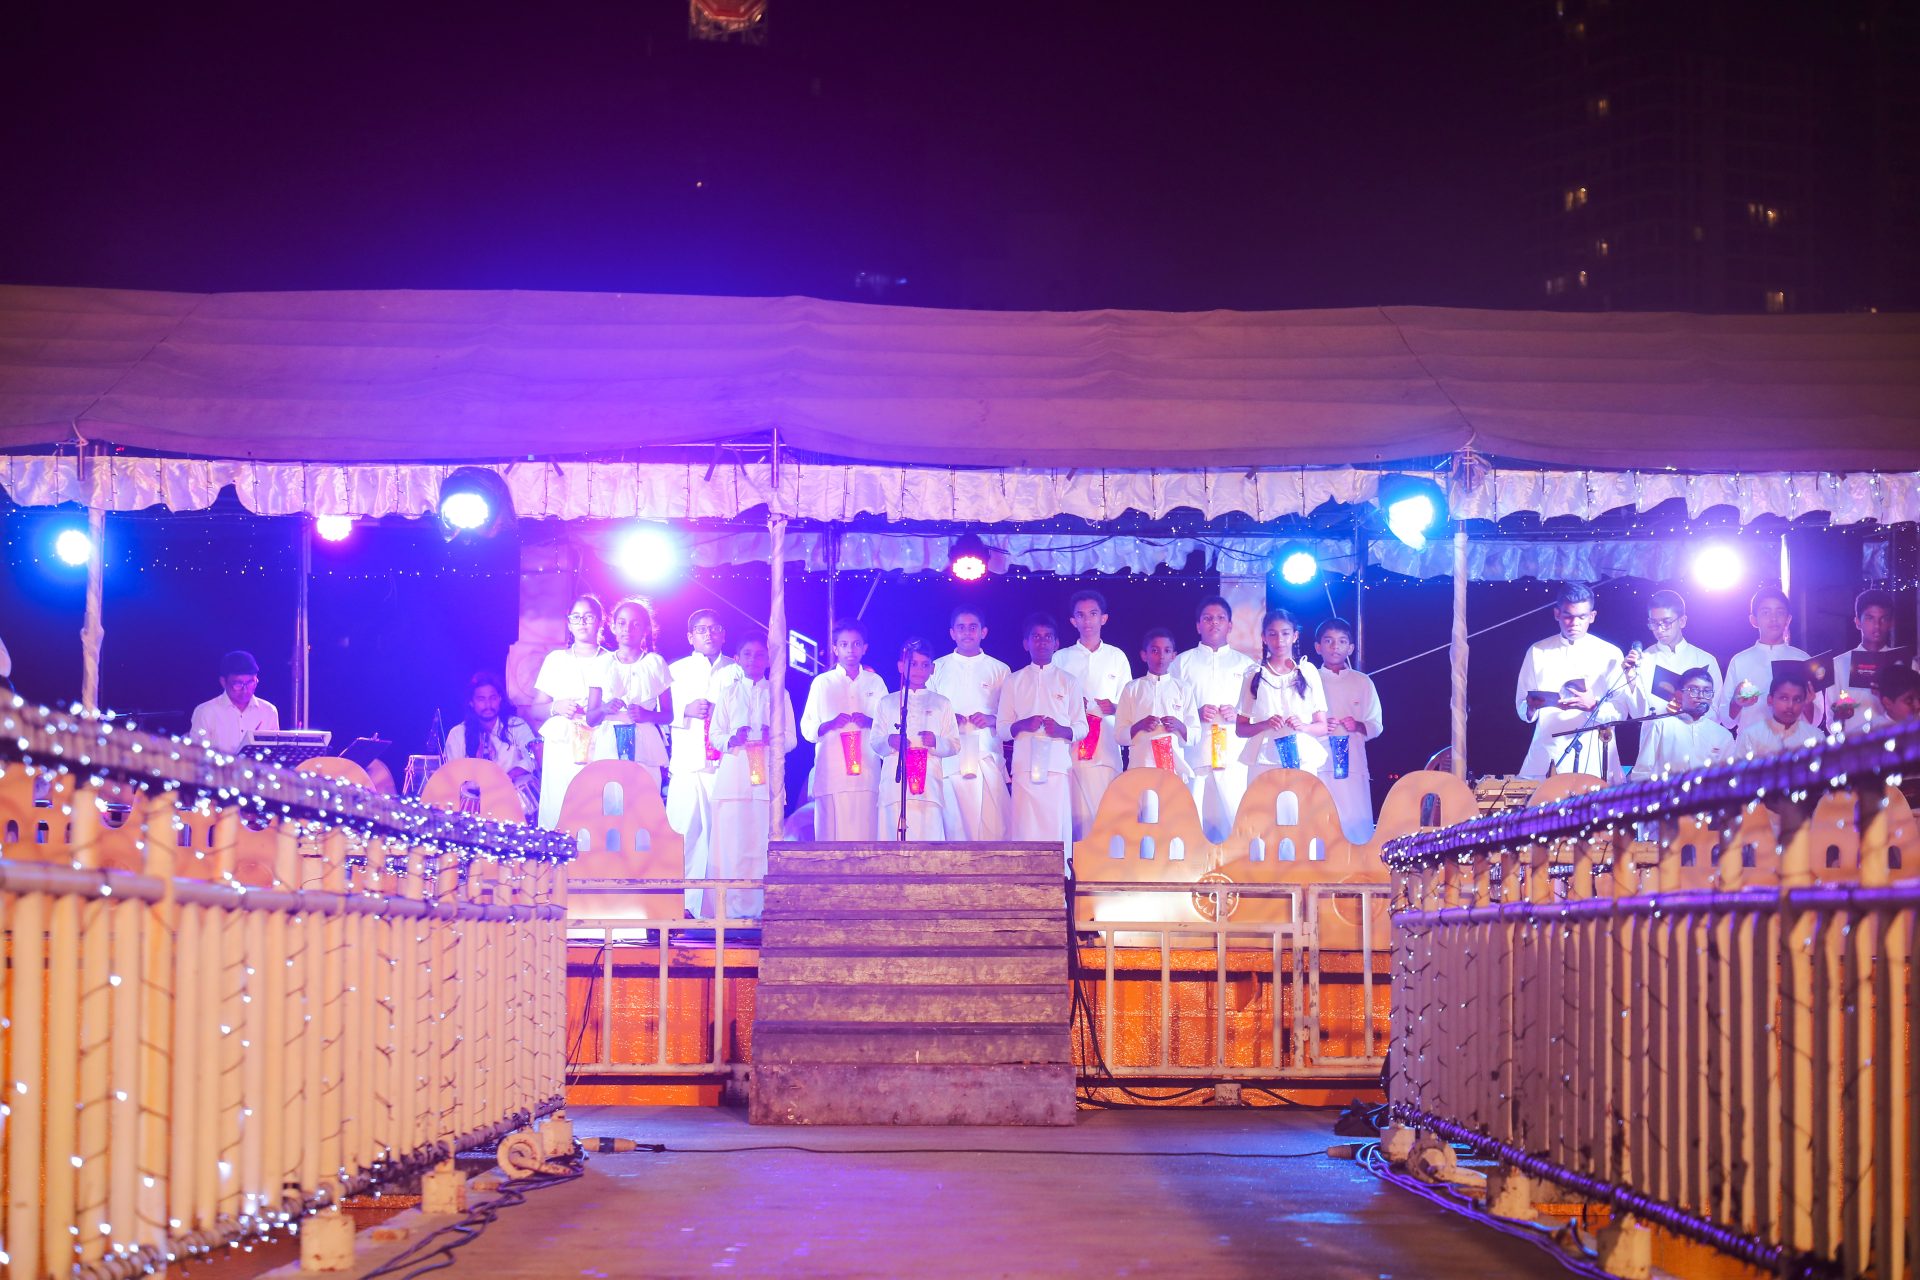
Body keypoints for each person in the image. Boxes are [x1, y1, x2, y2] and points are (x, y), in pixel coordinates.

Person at [706, 635, 794, 920]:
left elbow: (791, 739)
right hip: (733, 781)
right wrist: (733, 738)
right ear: (738, 658)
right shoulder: (728, 694)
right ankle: (727, 912)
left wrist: (774, 737)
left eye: (759, 655)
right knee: (731, 847)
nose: (754, 660)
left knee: (759, 847)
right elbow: (715, 736)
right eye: (747, 654)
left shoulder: (779, 693)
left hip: (765, 784)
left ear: (768, 660)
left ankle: (760, 911)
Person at [1514, 582, 1629, 780]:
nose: (1574, 623)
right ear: (1557, 614)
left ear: (1591, 616)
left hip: (1594, 754)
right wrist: (1531, 708)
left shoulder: (1610, 653)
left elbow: (1622, 712)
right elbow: (1522, 707)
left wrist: (1593, 706)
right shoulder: (1537, 651)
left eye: (1581, 617)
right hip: (1547, 752)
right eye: (1568, 616)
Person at [667, 609, 740, 909]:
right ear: (690, 637)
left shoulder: (736, 670)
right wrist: (685, 710)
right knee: (682, 832)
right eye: (701, 629)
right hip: (687, 762)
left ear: (723, 634)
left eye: (714, 628)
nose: (708, 634)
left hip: (722, 764)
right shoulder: (676, 670)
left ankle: (712, 907)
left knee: (719, 836)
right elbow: (658, 712)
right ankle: (676, 904)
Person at [1170, 596, 1258, 843]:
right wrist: (1194, 714)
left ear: (1230, 625)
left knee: (1237, 816)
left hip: (1233, 755)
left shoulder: (1247, 665)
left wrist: (1238, 712)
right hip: (1195, 753)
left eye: (1220, 618)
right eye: (1207, 618)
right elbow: (1168, 706)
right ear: (1198, 625)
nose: (1214, 623)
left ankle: (1240, 873)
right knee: (1193, 818)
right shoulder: (1181, 663)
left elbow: (1258, 712)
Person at [996, 614, 1088, 851]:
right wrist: (1021, 725)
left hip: (1057, 768)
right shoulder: (1014, 681)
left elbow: (1082, 727)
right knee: (1025, 828)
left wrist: (1061, 730)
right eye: (1036, 637)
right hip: (1024, 768)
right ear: (1026, 643)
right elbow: (1002, 729)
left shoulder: (1068, 681)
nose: (1042, 642)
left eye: (1048, 637)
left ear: (1056, 644)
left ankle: (1060, 881)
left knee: (1055, 828)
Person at [1049, 590, 1134, 839]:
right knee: (1074, 817)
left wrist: (1114, 707)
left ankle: (1105, 873)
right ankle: (1072, 872)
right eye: (1081, 615)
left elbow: (1128, 705)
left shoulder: (1117, 657)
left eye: (1093, 614)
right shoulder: (1061, 658)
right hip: (1071, 751)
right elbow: (1052, 704)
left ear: (1103, 618)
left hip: (1107, 749)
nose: (1087, 621)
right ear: (1073, 621)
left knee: (1107, 813)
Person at [927, 607, 1012, 841]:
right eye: (961, 628)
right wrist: (947, 720)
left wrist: (991, 719)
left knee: (993, 828)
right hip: (948, 761)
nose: (967, 633)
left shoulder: (1000, 670)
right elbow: (925, 712)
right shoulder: (936, 668)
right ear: (952, 633)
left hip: (986, 757)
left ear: (983, 632)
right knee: (953, 828)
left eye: (973, 627)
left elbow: (1010, 715)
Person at [800, 618, 888, 840]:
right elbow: (807, 728)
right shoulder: (822, 683)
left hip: (867, 774)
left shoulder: (875, 682)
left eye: (856, 644)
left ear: (864, 648)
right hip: (832, 774)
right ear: (835, 648)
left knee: (866, 836)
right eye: (844, 644)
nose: (851, 650)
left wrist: (869, 721)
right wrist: (829, 724)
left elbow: (888, 725)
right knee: (830, 839)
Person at [1621, 589, 1724, 778]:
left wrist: (1689, 710)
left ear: (1682, 621)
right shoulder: (1644, 660)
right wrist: (1631, 678)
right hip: (1657, 753)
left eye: (1666, 622)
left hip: (1698, 751)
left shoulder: (1703, 658)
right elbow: (1638, 716)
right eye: (1654, 623)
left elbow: (1716, 714)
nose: (1660, 629)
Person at [530, 595, 608, 828]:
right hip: (563, 744)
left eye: (588, 616)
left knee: (596, 805)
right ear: (569, 623)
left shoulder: (611, 660)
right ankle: (558, 859)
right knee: (560, 803)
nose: (582, 622)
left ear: (600, 621)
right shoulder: (556, 660)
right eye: (576, 617)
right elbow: (535, 709)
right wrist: (556, 706)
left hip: (600, 741)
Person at [875, 638, 962, 841]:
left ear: (932, 669)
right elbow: (874, 741)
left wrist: (936, 742)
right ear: (901, 666)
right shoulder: (887, 702)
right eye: (913, 664)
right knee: (892, 844)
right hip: (894, 789)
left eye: (924, 665)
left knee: (927, 843)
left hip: (929, 788)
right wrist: (890, 741)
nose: (918, 669)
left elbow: (955, 744)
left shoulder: (942, 703)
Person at [586, 597, 673, 792]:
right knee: (612, 810)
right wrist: (604, 708)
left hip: (646, 749)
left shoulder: (655, 663)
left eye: (635, 624)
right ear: (613, 627)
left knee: (644, 809)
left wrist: (647, 715)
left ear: (646, 630)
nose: (628, 629)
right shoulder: (601, 663)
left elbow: (668, 715)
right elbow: (590, 718)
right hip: (609, 748)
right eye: (622, 623)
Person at [1237, 609, 1330, 782]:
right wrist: (1265, 724)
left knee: (1300, 808)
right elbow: (1241, 729)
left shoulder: (1307, 671)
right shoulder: (1254, 674)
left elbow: (1322, 726)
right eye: (1272, 634)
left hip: (1302, 758)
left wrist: (1303, 726)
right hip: (1264, 760)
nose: (1279, 640)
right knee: (1265, 808)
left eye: (1285, 633)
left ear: (1295, 636)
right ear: (1264, 637)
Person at [1312, 617, 1383, 844]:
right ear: (1318, 646)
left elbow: (1376, 724)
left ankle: (1357, 873)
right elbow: (1298, 722)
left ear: (1350, 647)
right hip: (1318, 764)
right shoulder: (1307, 680)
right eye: (1329, 641)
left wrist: (1358, 725)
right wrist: (1320, 725)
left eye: (1342, 641)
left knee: (1354, 821)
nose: (1335, 647)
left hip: (1353, 763)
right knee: (1319, 820)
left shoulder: (1363, 682)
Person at [444, 671, 540, 821]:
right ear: (471, 702)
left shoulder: (516, 726)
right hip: (472, 809)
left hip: (512, 802)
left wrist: (509, 776)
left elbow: (533, 757)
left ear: (499, 699)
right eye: (481, 699)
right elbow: (452, 774)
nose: (488, 705)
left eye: (493, 698)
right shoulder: (457, 734)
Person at [1722, 585, 1816, 734]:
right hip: (1751, 747)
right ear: (1754, 620)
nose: (1774, 618)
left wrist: (1807, 702)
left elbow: (1814, 721)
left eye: (1780, 612)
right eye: (1766, 612)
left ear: (1788, 619)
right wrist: (1737, 702)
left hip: (1793, 747)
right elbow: (1726, 721)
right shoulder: (1739, 661)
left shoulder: (1803, 659)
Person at [1116, 628, 1200, 780]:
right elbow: (1119, 736)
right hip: (1140, 767)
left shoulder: (1183, 688)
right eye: (1155, 650)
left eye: (1167, 651)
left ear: (1173, 655)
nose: (1161, 656)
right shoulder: (1132, 688)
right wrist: (1139, 725)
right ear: (1144, 655)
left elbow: (1196, 735)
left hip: (1172, 769)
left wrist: (1179, 726)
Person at [1829, 589, 1916, 728]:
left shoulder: (1908, 664)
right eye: (1870, 618)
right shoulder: (1838, 665)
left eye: (1883, 618)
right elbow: (1830, 719)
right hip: (1855, 745)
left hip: (1899, 743)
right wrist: (1839, 717)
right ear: (1858, 622)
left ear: (1891, 622)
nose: (1877, 625)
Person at [1627, 667, 1732, 779]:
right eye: (1694, 690)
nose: (1701, 696)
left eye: (1707, 691)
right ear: (1679, 695)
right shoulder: (1660, 726)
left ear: (1711, 697)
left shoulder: (1723, 735)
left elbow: (1729, 777)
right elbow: (1641, 773)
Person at [189, 650, 281, 754]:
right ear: (223, 682)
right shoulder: (205, 712)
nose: (245, 690)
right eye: (238, 684)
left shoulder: (269, 711)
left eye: (250, 683)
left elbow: (272, 754)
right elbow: (197, 756)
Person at [1734, 673, 1822, 756]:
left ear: (1804, 702)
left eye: (1797, 699)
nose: (1790, 705)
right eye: (1784, 698)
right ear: (1770, 700)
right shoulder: (1750, 736)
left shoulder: (1815, 736)